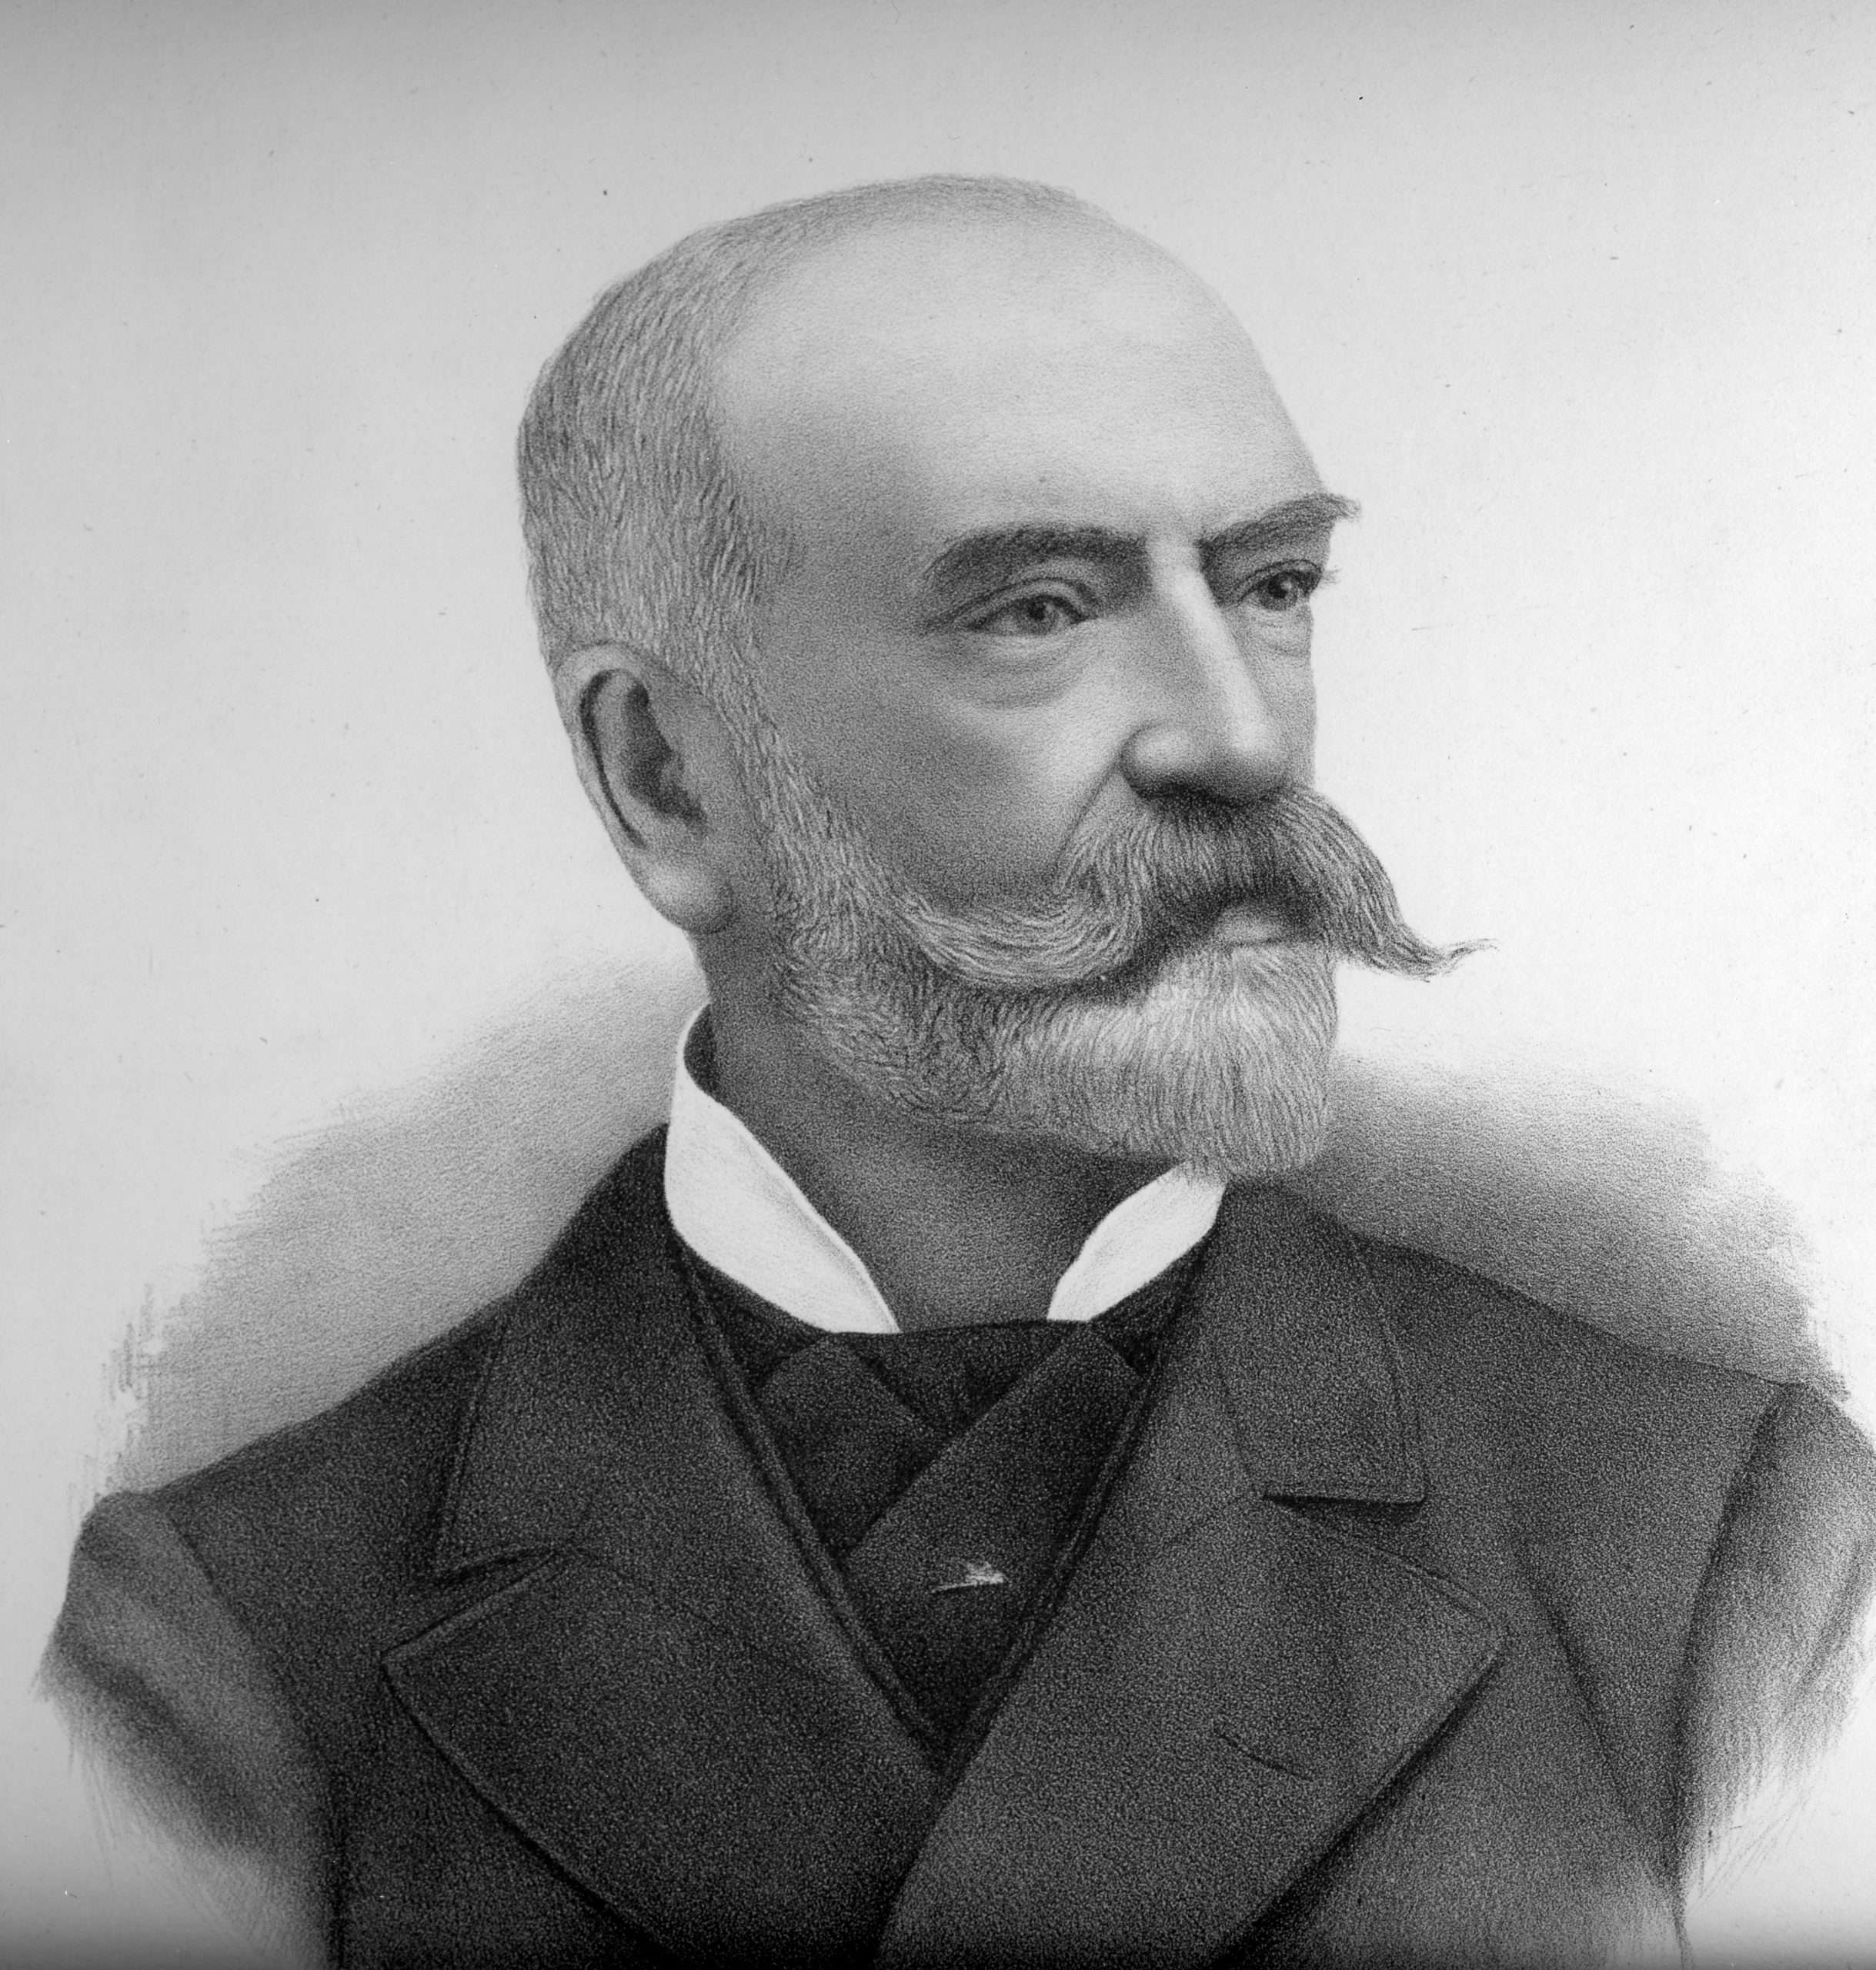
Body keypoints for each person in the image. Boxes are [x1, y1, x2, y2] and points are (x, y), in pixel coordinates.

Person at [46, 175, 1876, 1968]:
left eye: (1271, 583)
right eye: (1040, 611)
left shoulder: (1725, 1554)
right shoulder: (225, 1645)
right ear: (665, 779)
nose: (1243, 738)